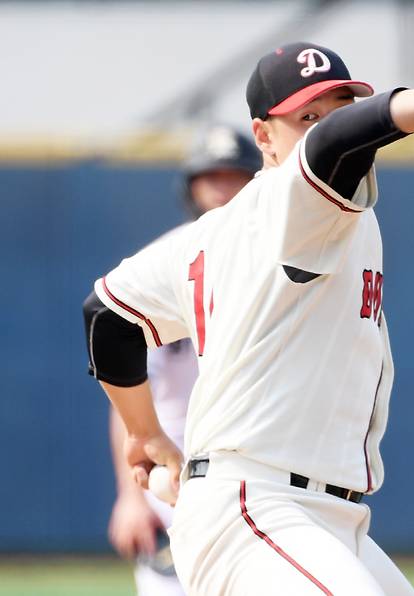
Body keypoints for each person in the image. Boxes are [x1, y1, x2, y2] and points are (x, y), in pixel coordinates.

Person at [83, 42, 414, 595]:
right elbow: (341, 141)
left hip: (317, 513)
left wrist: (144, 434)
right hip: (257, 509)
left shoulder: (206, 237)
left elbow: (107, 316)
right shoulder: (293, 201)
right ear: (264, 136)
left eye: (338, 107)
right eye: (306, 117)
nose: (325, 126)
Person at [105, 124, 260, 596]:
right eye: (210, 176)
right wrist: (130, 498)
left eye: (235, 175)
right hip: (173, 484)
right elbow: (126, 393)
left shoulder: (277, 262)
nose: (223, 187)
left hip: (257, 481)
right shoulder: (161, 263)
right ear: (190, 186)